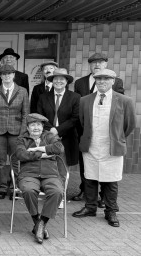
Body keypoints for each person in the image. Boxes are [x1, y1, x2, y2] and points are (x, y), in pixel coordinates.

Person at [72, 69, 135, 228]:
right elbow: (82, 121)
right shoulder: (85, 100)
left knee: (111, 180)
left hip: (112, 146)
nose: (101, 82)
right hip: (92, 145)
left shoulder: (124, 100)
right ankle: (90, 207)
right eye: (98, 79)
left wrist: (116, 138)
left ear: (113, 81)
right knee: (90, 177)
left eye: (106, 79)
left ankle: (111, 210)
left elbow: (129, 125)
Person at [72, 53, 124, 203]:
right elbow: (77, 106)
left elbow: (121, 112)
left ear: (106, 65)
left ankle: (104, 196)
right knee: (86, 164)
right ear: (89, 65)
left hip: (107, 133)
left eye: (100, 63)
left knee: (106, 166)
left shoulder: (117, 82)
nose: (97, 65)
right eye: (94, 63)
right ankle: (85, 192)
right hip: (85, 132)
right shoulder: (80, 82)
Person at [14, 113, 64, 244]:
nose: (36, 128)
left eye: (38, 125)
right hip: (29, 174)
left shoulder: (49, 136)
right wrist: (42, 155)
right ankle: (36, 220)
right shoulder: (22, 139)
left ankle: (41, 223)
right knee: (29, 190)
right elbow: (21, 154)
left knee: (57, 192)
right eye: (32, 125)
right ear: (28, 127)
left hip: (50, 174)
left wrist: (37, 148)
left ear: (42, 127)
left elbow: (59, 148)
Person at [0, 64, 29, 199]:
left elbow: (25, 114)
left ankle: (15, 186)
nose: (6, 76)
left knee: (16, 160)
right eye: (4, 74)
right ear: (0, 77)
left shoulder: (22, 91)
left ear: (14, 75)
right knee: (0, 160)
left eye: (9, 74)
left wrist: (23, 132)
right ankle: (2, 186)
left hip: (16, 130)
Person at [36, 68, 80, 167]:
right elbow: (40, 116)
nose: (58, 81)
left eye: (62, 79)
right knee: (48, 166)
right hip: (47, 137)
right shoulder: (43, 97)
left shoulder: (75, 97)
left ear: (67, 81)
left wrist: (58, 130)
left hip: (67, 137)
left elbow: (75, 118)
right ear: (52, 80)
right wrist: (51, 130)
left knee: (63, 167)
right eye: (56, 79)